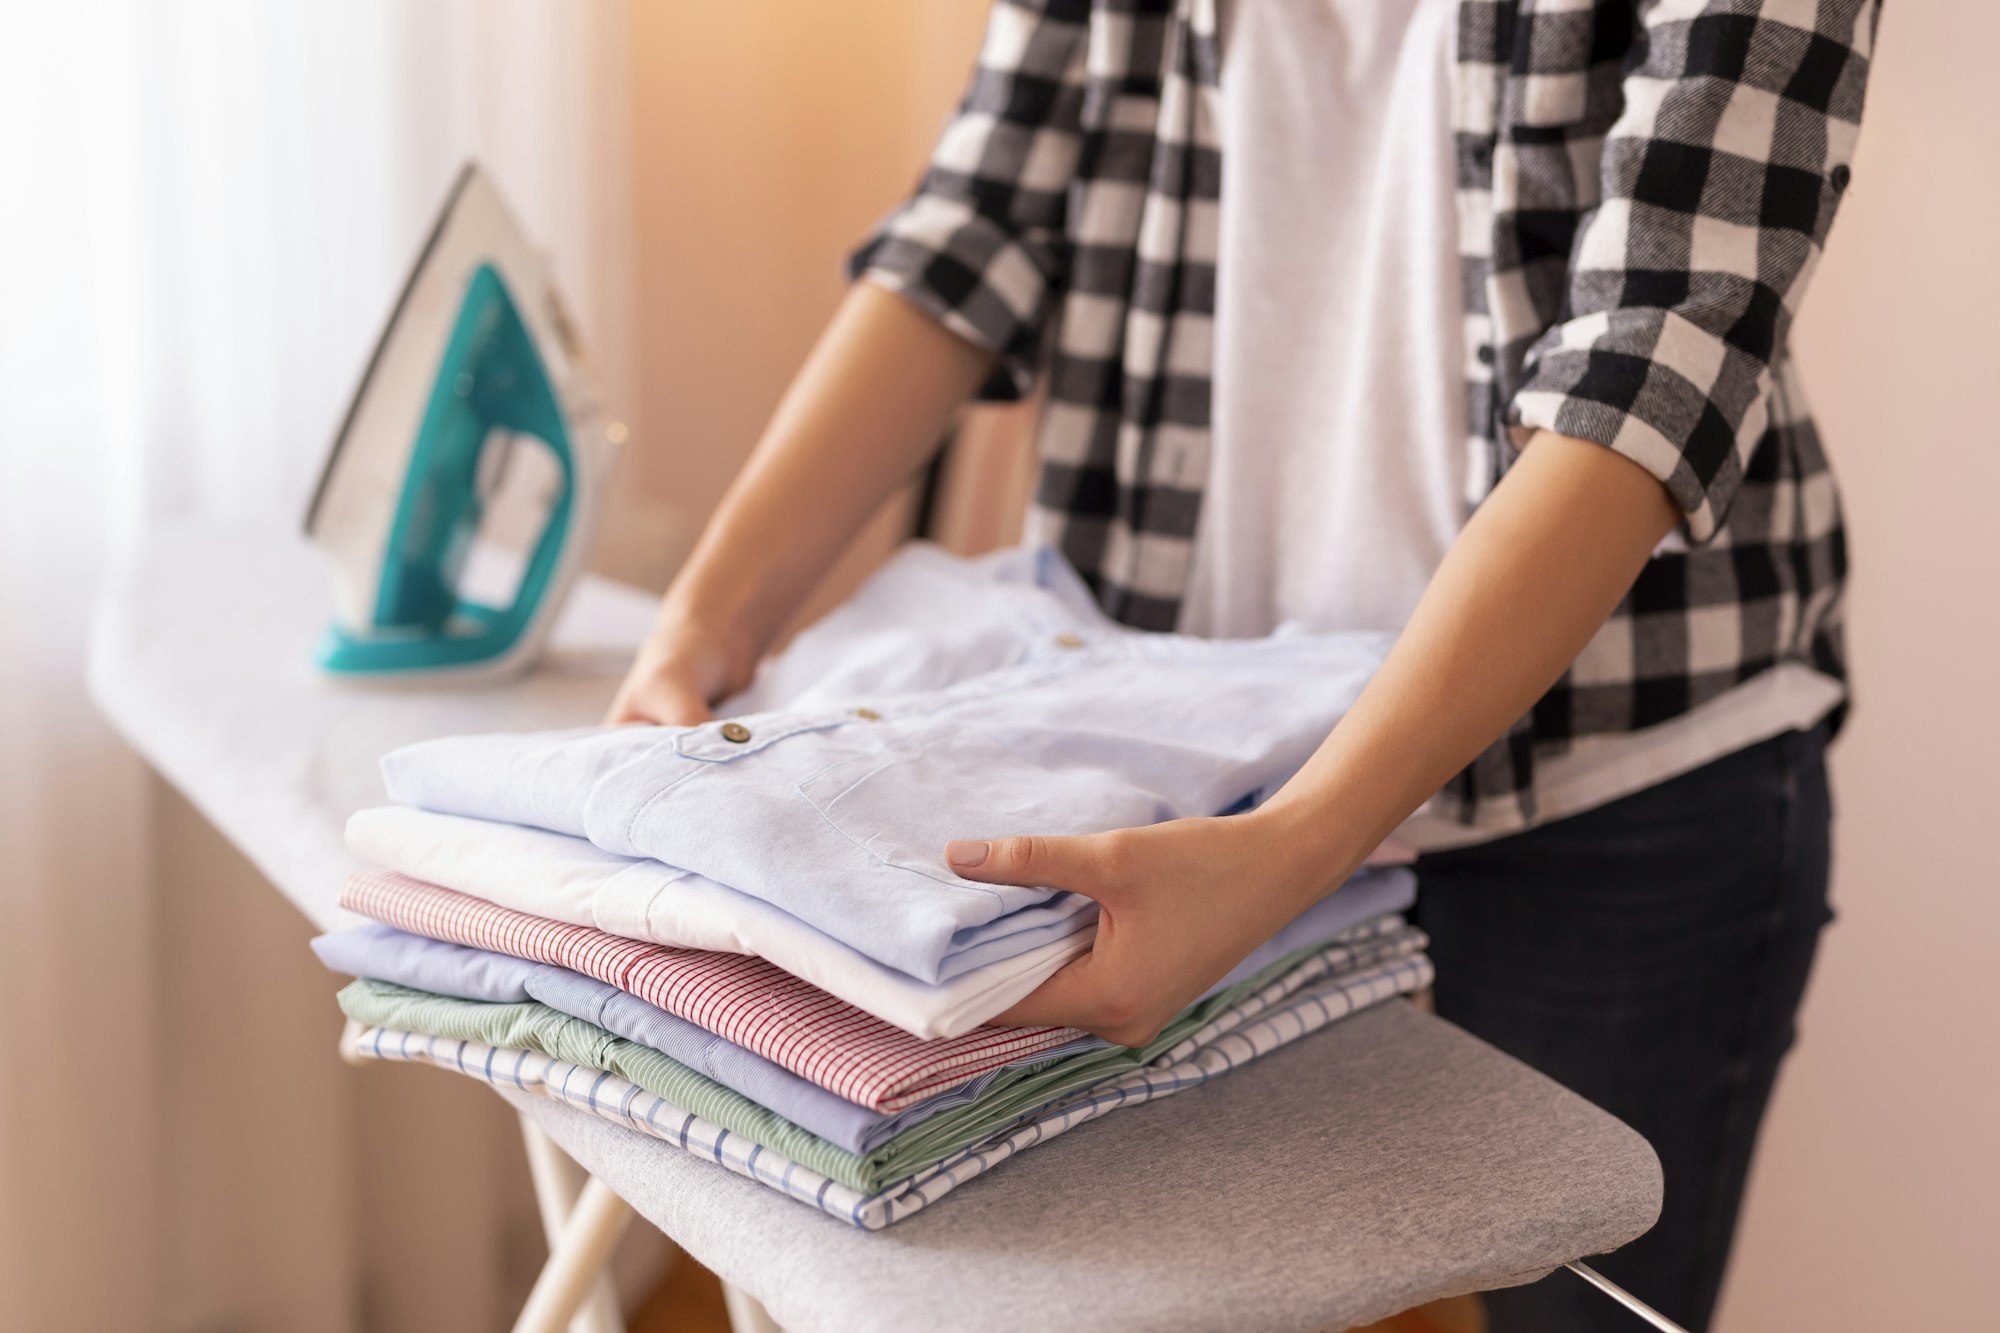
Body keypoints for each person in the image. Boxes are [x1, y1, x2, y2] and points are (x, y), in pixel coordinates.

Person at [608, 1, 1879, 1326]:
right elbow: (979, 220)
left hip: (1612, 775)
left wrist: (1295, 846)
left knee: (1589, 1309)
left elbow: (1660, 345)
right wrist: (704, 627)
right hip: (1186, 760)